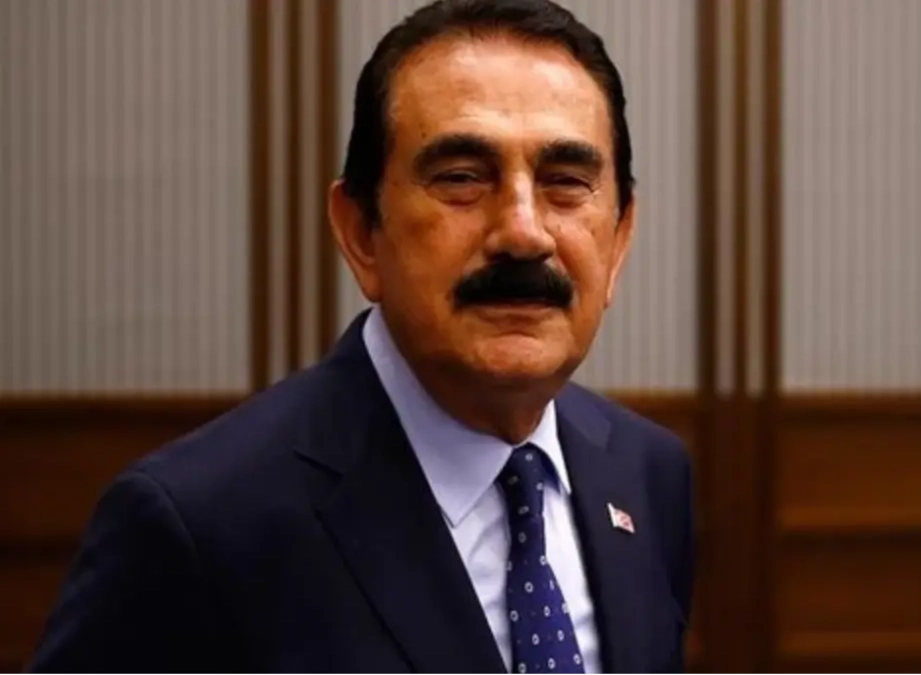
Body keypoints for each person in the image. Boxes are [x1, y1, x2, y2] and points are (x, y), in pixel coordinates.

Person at [27, 1, 694, 673]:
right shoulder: (197, 525)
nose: (523, 232)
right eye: (462, 179)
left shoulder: (646, 473)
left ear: (619, 240)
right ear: (359, 233)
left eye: (566, 184)